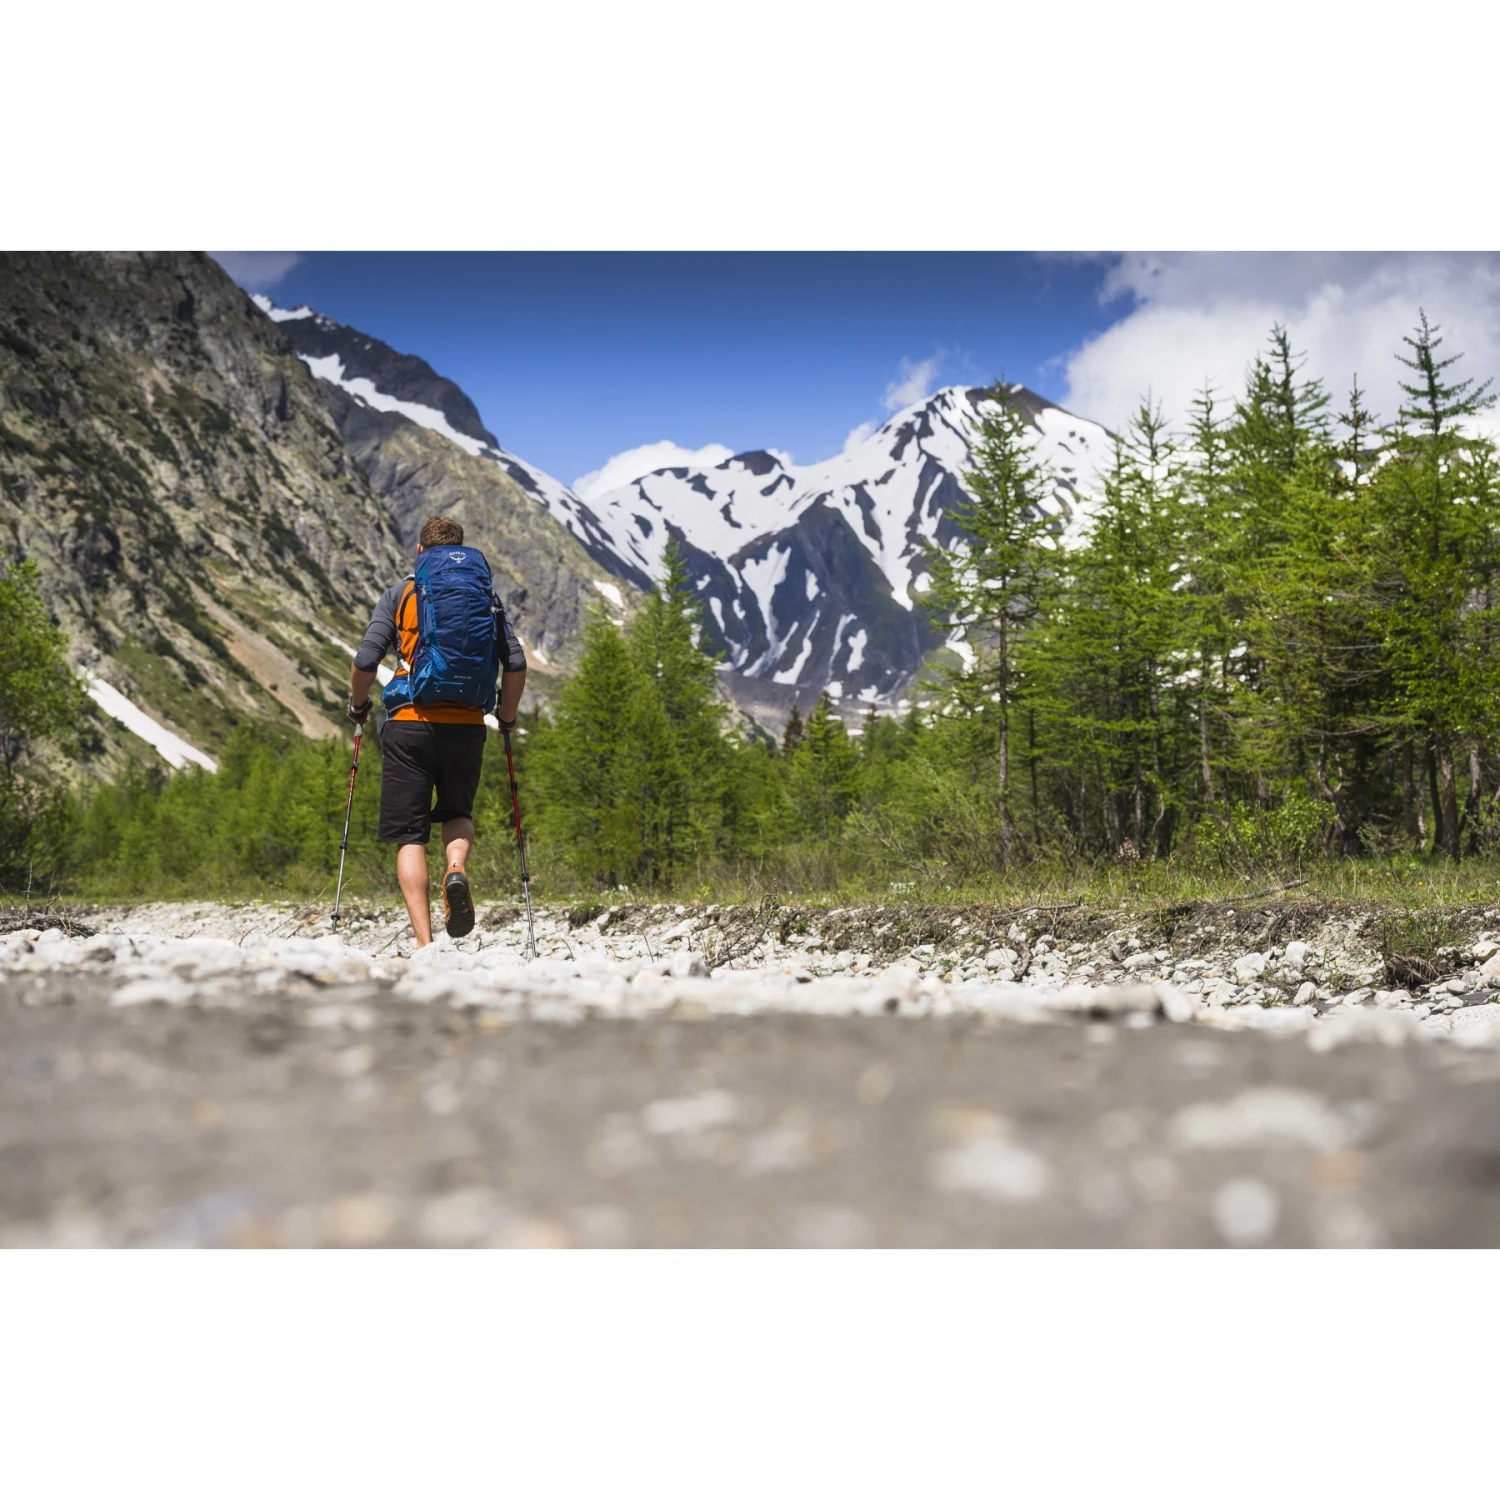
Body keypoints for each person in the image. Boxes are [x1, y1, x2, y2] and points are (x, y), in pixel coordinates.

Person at [346, 515, 527, 946]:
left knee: (410, 836)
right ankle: (456, 868)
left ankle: (426, 945)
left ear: (420, 551)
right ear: (460, 550)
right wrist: (506, 716)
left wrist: (358, 704)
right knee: (457, 814)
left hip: (409, 724)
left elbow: (367, 660)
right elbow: (515, 662)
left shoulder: (400, 594)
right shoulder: (485, 596)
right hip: (466, 725)